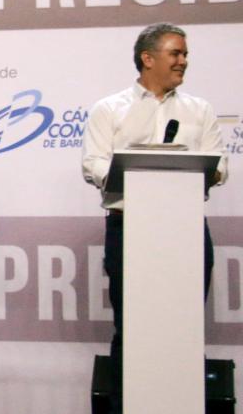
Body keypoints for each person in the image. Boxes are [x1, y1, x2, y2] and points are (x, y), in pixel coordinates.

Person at [80, 22, 227, 414]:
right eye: (175, 53)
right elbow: (93, 164)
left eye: (185, 54)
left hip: (186, 229)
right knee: (131, 327)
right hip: (129, 228)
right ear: (148, 58)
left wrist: (196, 170)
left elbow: (219, 167)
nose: (183, 61)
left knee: (185, 325)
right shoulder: (109, 109)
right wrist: (134, 172)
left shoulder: (200, 110)